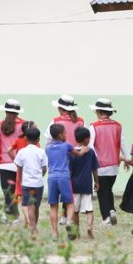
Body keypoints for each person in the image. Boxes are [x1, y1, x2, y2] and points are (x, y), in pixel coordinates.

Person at [45, 95, 85, 226]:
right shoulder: (80, 121)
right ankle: (66, 214)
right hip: (76, 155)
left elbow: (48, 139)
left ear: (61, 108)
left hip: (60, 158)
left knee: (61, 188)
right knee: (69, 188)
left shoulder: (55, 120)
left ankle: (63, 217)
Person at [46, 123, 89, 240]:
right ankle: (69, 221)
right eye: (65, 133)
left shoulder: (47, 148)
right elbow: (78, 154)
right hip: (64, 177)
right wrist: (84, 150)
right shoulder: (66, 146)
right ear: (60, 135)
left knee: (53, 206)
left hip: (52, 177)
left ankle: (55, 233)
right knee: (70, 203)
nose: (66, 134)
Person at [89, 98, 127, 226]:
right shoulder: (117, 125)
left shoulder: (94, 126)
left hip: (100, 165)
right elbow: (122, 143)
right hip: (114, 165)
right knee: (108, 189)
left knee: (101, 191)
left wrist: (93, 162)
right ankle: (111, 211)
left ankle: (106, 217)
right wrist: (126, 158)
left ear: (99, 111)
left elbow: (91, 146)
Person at [0, 99, 25, 222]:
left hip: (4, 164)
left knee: (7, 191)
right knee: (16, 191)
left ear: (5, 111)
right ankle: (12, 215)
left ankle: (9, 214)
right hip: (19, 164)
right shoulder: (24, 125)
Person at [14, 127, 48, 237]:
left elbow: (19, 168)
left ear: (26, 138)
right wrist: (40, 176)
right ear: (38, 140)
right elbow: (44, 168)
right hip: (38, 183)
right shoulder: (41, 152)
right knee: (35, 206)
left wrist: (20, 181)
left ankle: (33, 228)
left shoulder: (22, 152)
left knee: (30, 206)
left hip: (27, 183)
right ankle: (34, 226)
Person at [70, 127, 99, 239]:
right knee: (89, 209)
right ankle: (89, 227)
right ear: (86, 139)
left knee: (75, 210)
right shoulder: (90, 152)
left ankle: (76, 232)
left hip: (74, 185)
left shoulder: (72, 152)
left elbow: (70, 169)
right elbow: (94, 169)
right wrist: (97, 182)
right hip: (87, 184)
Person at [8, 120, 37, 228]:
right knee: (29, 197)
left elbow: (8, 150)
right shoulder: (35, 143)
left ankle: (26, 221)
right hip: (32, 171)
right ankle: (29, 219)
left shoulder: (18, 140)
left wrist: (16, 161)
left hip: (21, 171)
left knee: (22, 197)